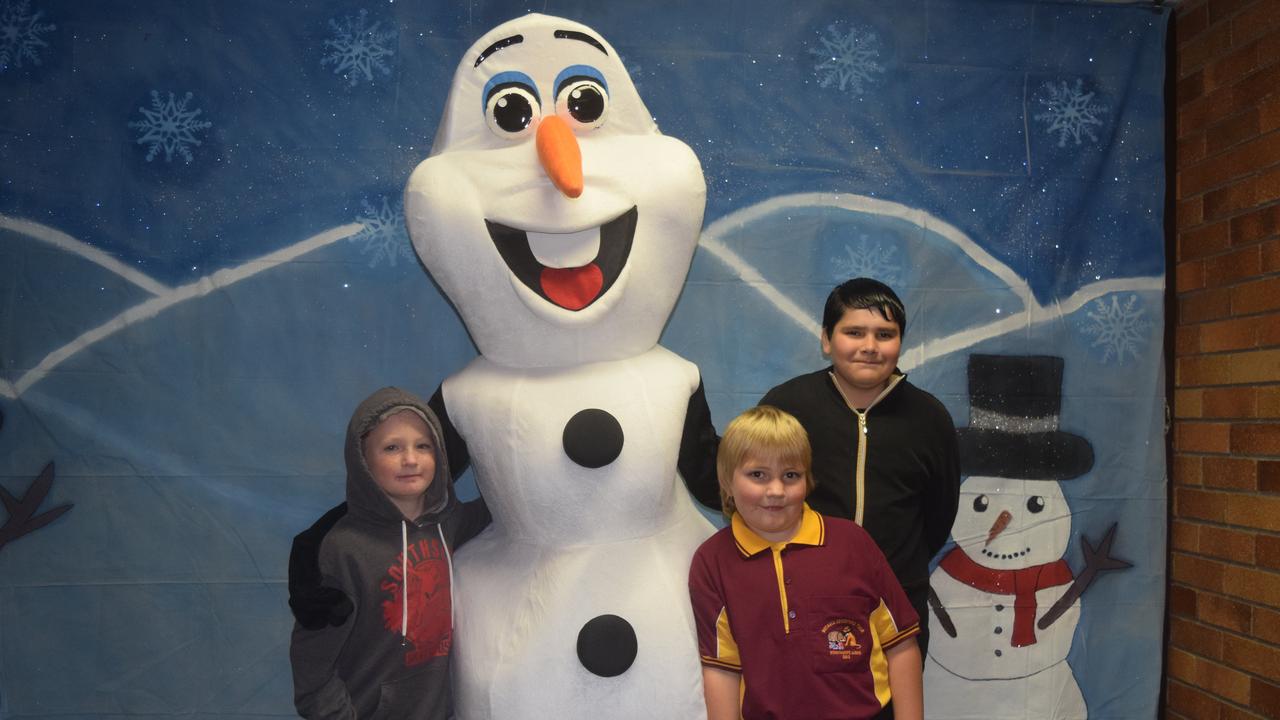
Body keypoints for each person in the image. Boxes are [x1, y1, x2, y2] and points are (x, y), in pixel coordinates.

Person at [759, 278, 960, 660]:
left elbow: (938, 515)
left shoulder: (929, 419)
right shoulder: (786, 407)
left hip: (896, 605)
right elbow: (749, 495)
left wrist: (897, 565)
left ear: (901, 342)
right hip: (798, 599)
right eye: (854, 332)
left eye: (885, 334)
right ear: (826, 339)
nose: (869, 347)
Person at [689, 406, 923, 720]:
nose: (775, 490)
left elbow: (902, 644)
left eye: (790, 475)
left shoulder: (852, 544)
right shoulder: (712, 562)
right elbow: (721, 670)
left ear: (808, 480)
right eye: (757, 474)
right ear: (727, 483)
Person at [289, 387, 490, 719]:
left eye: (423, 446)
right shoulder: (343, 550)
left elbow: (504, 506)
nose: (410, 459)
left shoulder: (447, 523)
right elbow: (312, 669)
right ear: (362, 459)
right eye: (392, 447)